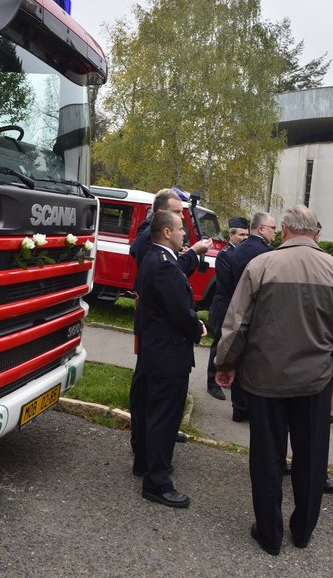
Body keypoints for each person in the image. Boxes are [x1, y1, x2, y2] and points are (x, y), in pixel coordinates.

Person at [215, 205, 333, 554]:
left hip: (264, 381)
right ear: (316, 232)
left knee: (267, 458)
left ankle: (269, 534)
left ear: (283, 230)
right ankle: (302, 532)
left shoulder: (260, 266)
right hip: (314, 383)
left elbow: (237, 325)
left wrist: (226, 363)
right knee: (311, 459)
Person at [129, 210, 206, 508]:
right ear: (165, 233)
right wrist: (197, 326)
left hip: (156, 350)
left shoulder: (158, 259)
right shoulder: (163, 265)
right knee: (164, 417)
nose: (185, 234)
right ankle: (157, 482)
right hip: (168, 354)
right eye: (180, 230)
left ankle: (146, 464)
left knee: (152, 411)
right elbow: (178, 310)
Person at [225, 211, 278, 422]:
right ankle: (246, 407)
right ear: (261, 229)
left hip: (239, 308)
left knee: (240, 358)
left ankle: (239, 406)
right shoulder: (263, 252)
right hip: (256, 313)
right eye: (273, 228)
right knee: (253, 362)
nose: (275, 232)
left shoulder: (241, 248)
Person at [206, 217, 250, 401]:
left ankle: (228, 378)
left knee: (235, 344)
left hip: (237, 307)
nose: (245, 238)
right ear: (231, 235)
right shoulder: (225, 255)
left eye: (247, 234)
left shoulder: (242, 253)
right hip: (224, 307)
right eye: (241, 235)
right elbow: (228, 284)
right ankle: (212, 383)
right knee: (219, 344)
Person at [129, 188, 212, 283]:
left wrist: (177, 253)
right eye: (177, 211)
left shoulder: (154, 231)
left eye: (181, 211)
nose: (182, 216)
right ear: (160, 213)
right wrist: (194, 251)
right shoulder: (151, 235)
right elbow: (172, 273)